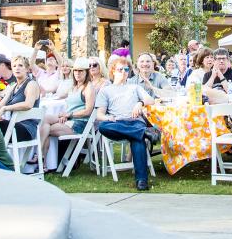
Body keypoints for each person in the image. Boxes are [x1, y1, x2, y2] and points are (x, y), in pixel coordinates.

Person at [94, 59, 156, 190]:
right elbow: (99, 115)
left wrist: (140, 103)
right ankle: (144, 133)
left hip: (135, 122)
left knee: (137, 139)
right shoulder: (106, 90)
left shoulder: (134, 87)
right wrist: (108, 117)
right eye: (120, 69)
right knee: (102, 126)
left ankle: (141, 181)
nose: (123, 72)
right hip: (116, 123)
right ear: (113, 71)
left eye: (126, 69)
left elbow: (151, 100)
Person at [43, 58, 98, 160]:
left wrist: (69, 115)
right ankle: (42, 159)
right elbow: (68, 105)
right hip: (70, 119)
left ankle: (42, 159)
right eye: (76, 70)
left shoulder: (88, 87)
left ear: (86, 72)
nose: (77, 73)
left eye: (81, 71)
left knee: (46, 129)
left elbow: (88, 111)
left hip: (80, 123)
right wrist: (66, 115)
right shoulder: (73, 86)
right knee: (44, 119)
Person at [0, 56, 42, 159]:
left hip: (26, 129)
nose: (17, 68)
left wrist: (6, 108)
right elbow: (0, 105)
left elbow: (28, 104)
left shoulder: (31, 84)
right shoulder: (13, 87)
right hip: (14, 127)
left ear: (27, 69)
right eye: (14, 66)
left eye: (20, 65)